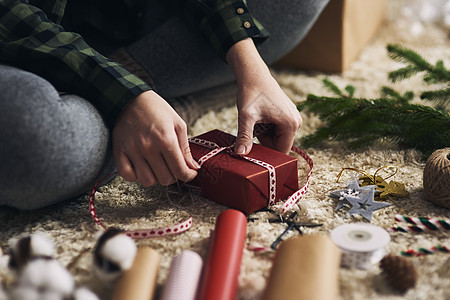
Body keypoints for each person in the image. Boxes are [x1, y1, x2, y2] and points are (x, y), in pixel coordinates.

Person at [0, 0, 329, 209]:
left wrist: (250, 65)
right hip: (24, 49)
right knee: (30, 142)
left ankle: (145, 107)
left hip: (132, 23)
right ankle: (171, 105)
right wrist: (125, 97)